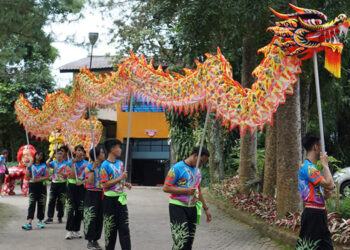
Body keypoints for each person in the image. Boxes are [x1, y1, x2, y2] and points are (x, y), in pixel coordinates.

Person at [163, 146, 212, 250]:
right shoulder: (176, 168)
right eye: (201, 161)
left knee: (189, 242)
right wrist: (186, 191)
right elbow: (166, 188)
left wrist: (206, 208)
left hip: (192, 208)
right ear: (195, 156)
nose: (201, 165)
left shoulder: (197, 171)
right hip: (178, 208)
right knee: (181, 240)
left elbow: (198, 190)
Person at [297, 133, 335, 249]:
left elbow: (328, 190)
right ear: (315, 147)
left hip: (319, 213)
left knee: (326, 247)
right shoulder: (308, 168)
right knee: (309, 247)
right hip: (313, 214)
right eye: (321, 146)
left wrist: (326, 193)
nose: (322, 150)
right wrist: (325, 165)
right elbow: (330, 184)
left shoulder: (312, 168)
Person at [100, 138, 132, 250]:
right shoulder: (104, 165)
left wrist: (125, 183)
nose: (120, 150)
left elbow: (120, 181)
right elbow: (105, 185)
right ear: (112, 149)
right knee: (110, 229)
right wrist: (120, 178)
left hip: (121, 200)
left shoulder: (120, 163)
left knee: (124, 228)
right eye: (119, 147)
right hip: (109, 201)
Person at [83, 144, 105, 250]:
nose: (104, 154)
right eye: (102, 152)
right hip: (91, 194)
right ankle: (89, 240)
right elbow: (90, 182)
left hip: (102, 194)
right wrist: (93, 168)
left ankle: (96, 240)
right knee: (90, 217)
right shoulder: (88, 167)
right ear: (96, 155)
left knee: (99, 218)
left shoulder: (105, 166)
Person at [65, 145, 89, 240]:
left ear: (83, 153)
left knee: (79, 209)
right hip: (71, 187)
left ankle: (76, 230)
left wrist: (81, 182)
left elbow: (87, 178)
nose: (80, 152)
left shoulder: (87, 164)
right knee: (71, 209)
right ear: (74, 152)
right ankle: (69, 230)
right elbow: (71, 176)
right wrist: (72, 164)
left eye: (81, 150)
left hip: (81, 188)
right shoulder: (69, 163)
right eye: (78, 150)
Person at [22, 150, 50, 230]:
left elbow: (47, 176)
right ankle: (29, 222)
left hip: (41, 186)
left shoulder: (44, 166)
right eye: (38, 155)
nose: (39, 156)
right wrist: (28, 166)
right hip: (32, 186)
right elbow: (27, 176)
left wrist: (38, 180)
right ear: (35, 156)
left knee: (41, 203)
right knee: (32, 204)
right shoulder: (31, 165)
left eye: (41, 155)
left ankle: (40, 221)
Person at [44, 148, 68, 224]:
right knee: (51, 200)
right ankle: (50, 217)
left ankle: (60, 217)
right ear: (55, 155)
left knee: (61, 201)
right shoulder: (53, 163)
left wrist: (60, 172)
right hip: (54, 184)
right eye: (57, 154)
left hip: (62, 183)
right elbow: (47, 163)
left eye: (61, 153)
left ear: (63, 154)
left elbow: (68, 175)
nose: (59, 155)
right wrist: (51, 157)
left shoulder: (66, 163)